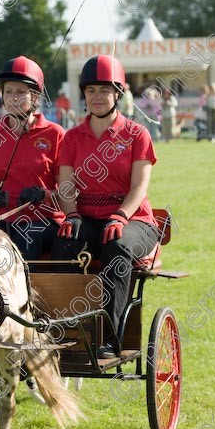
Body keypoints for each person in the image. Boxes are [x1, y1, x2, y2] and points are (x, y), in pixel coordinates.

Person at [53, 54, 160, 359]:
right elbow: (67, 185)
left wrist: (121, 215)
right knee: (64, 244)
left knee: (116, 247)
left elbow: (140, 186)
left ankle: (110, 336)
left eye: (104, 90)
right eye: (91, 91)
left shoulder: (137, 134)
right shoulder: (72, 137)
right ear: (83, 94)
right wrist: (71, 214)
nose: (97, 96)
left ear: (117, 93)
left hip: (134, 220)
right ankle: (67, 330)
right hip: (88, 216)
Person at [0, 55, 65, 261]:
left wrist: (45, 194)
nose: (14, 98)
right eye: (9, 92)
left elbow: (68, 194)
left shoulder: (55, 134)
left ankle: (22, 294)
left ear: (36, 97)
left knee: (24, 238)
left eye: (21, 92)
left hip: (42, 220)